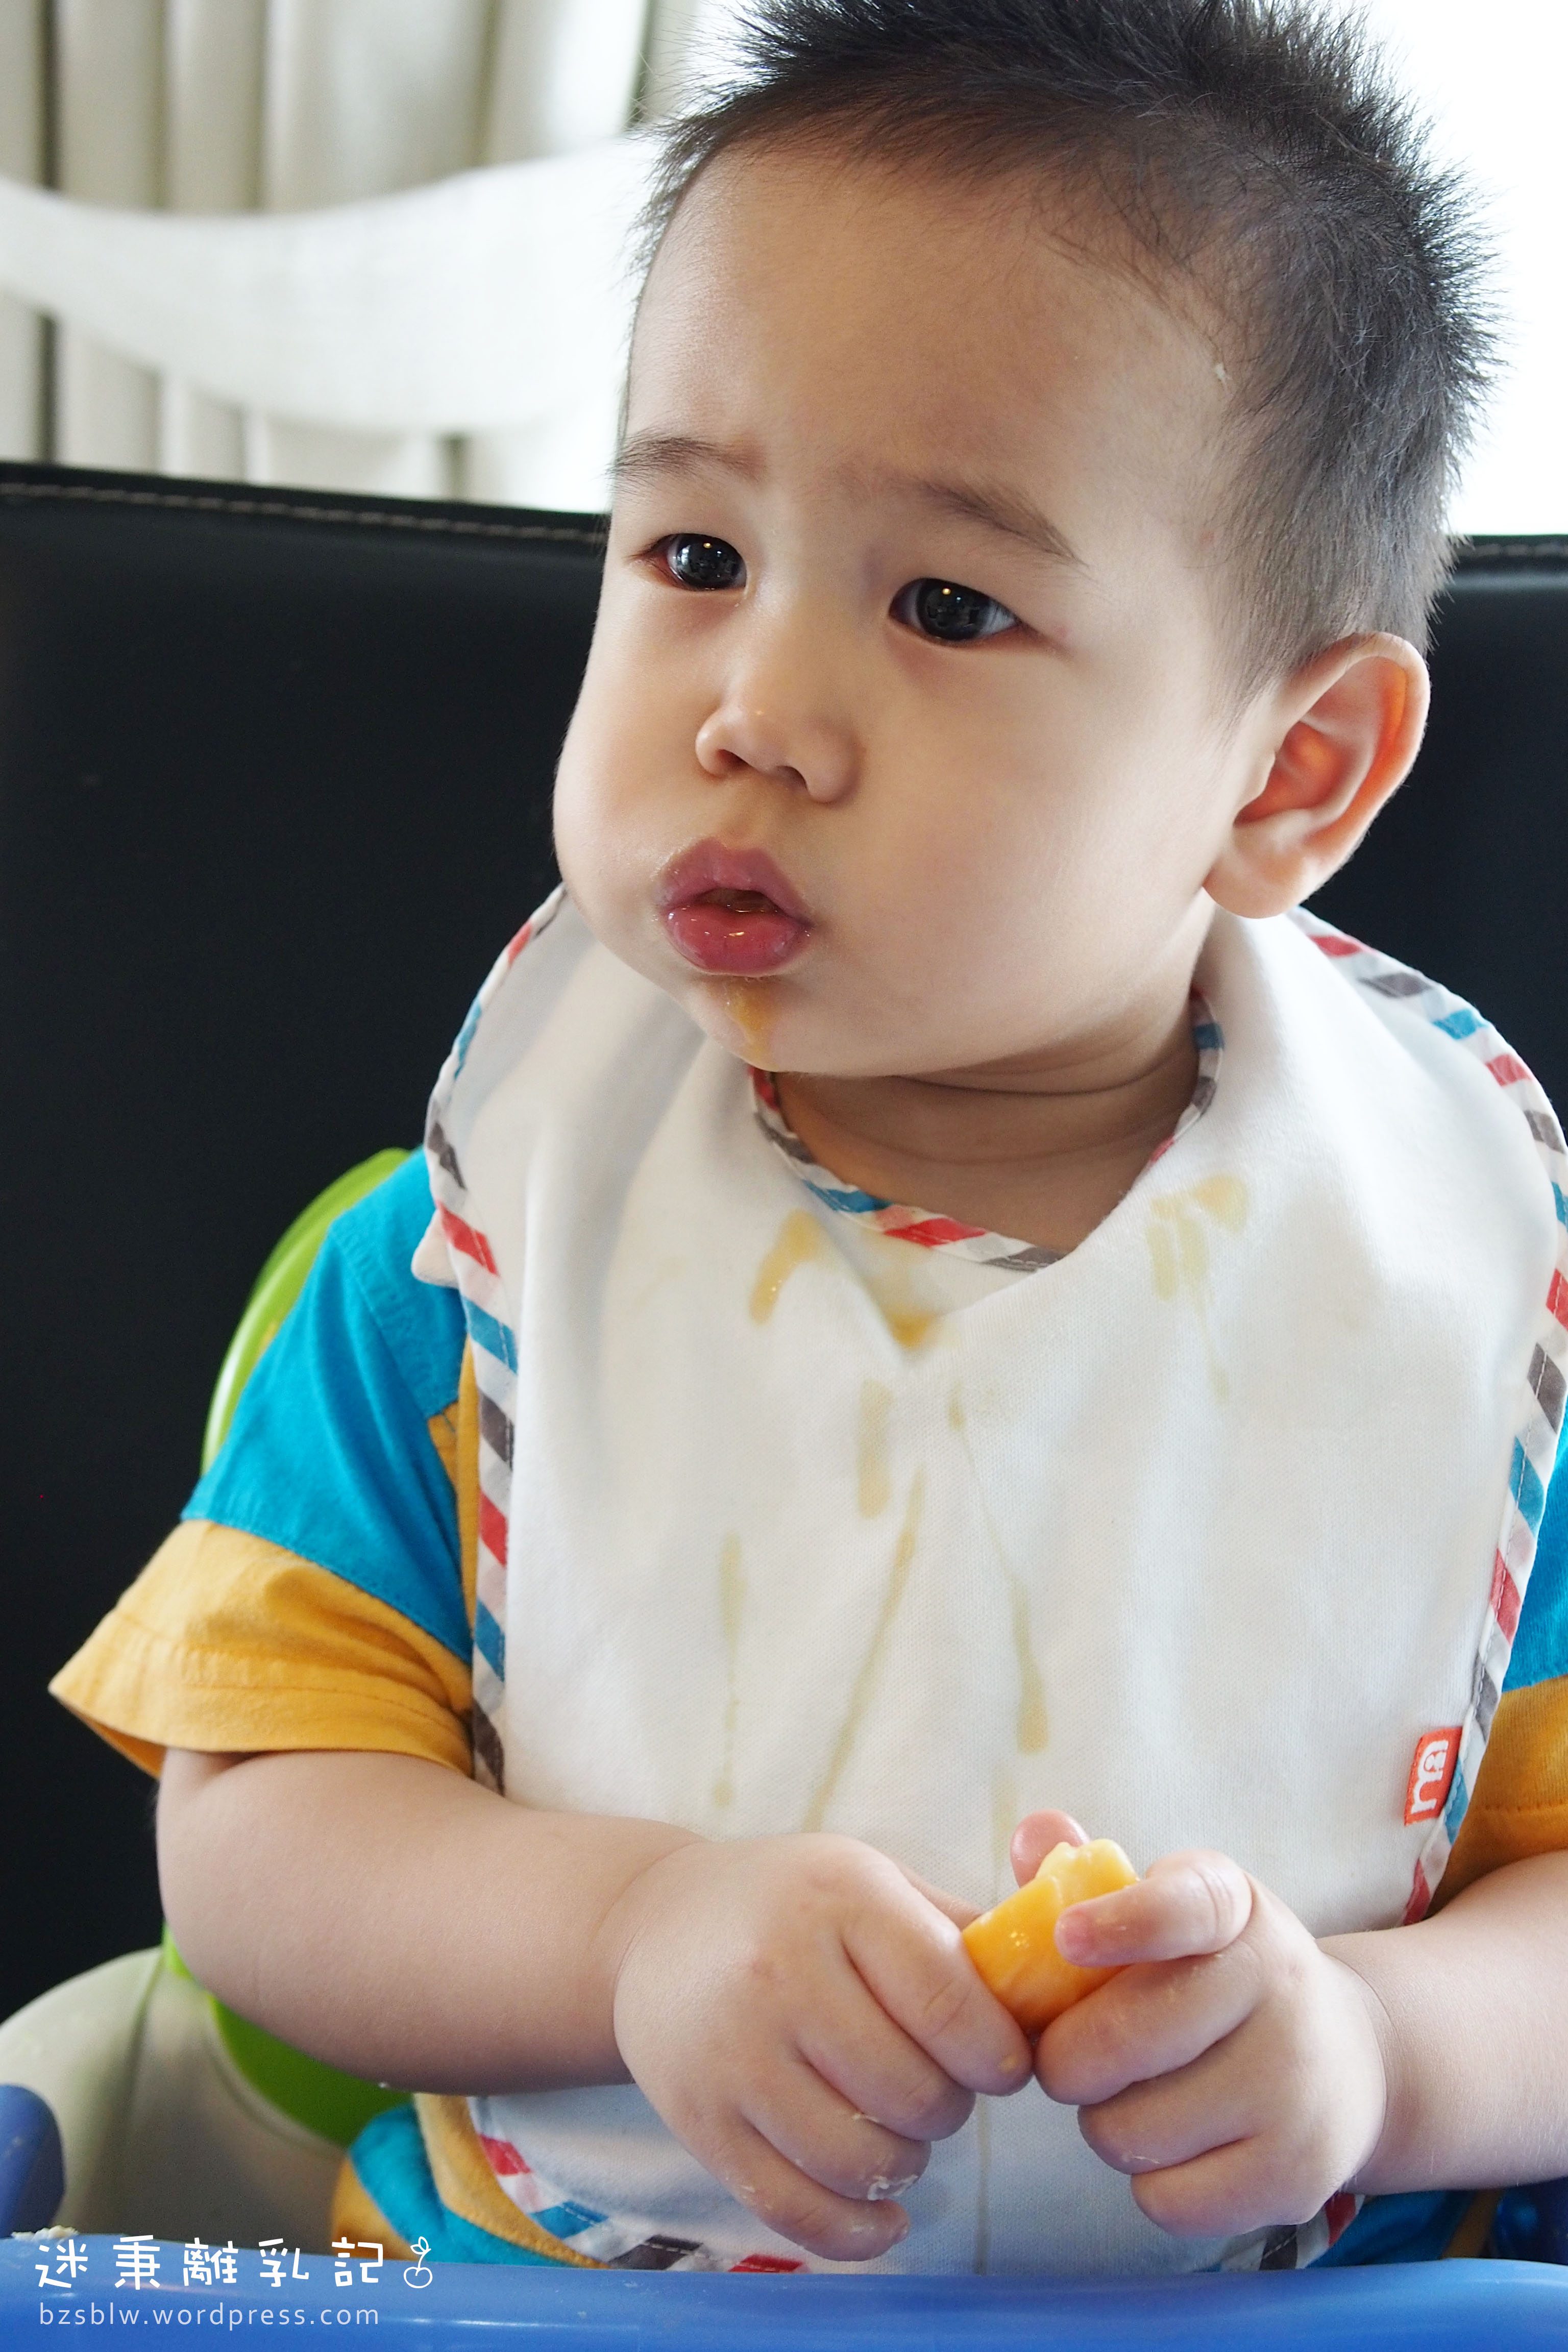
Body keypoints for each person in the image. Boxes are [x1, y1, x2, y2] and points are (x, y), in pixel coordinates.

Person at [54, 0, 1568, 2282]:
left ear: (1291, 773)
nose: (753, 710)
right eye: (690, 554)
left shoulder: (1465, 1318)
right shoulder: (471, 1264)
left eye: (948, 605)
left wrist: (1384, 2043)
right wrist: (631, 1935)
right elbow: (256, 1851)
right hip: (545, 2308)